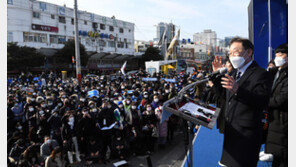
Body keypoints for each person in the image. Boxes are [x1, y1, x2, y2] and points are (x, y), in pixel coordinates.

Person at [211, 37, 272, 167]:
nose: (232, 56)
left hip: (247, 135)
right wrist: (217, 75)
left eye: (236, 52)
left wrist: (238, 90)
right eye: (230, 53)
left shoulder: (261, 74)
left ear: (248, 52)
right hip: (231, 132)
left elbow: (262, 101)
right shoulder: (233, 73)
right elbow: (224, 97)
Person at [260, 43, 288, 167]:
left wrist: (262, 101)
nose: (278, 57)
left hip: (283, 122)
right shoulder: (275, 72)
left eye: (281, 54)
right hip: (274, 120)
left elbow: (281, 98)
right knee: (277, 156)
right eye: (276, 54)